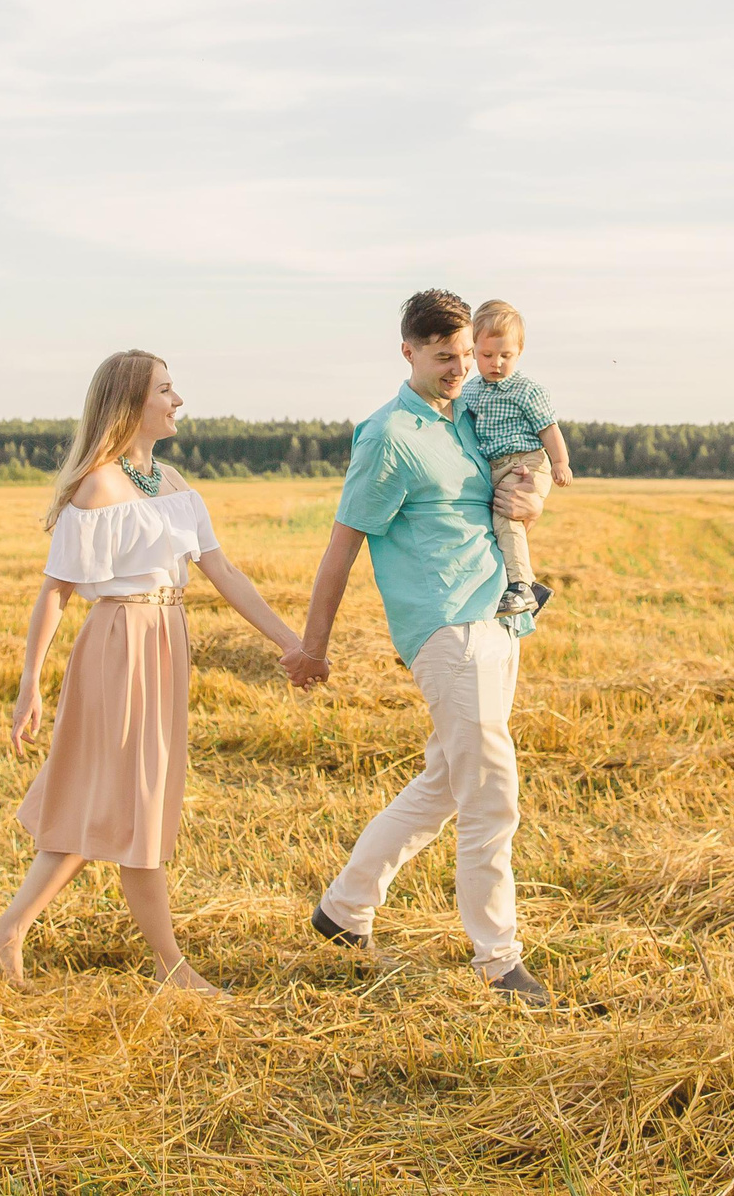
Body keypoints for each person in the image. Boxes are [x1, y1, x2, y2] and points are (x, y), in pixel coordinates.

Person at [0, 350, 311, 995]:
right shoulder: (98, 487)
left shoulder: (173, 483)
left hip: (167, 641)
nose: (177, 401)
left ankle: (4, 935)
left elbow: (225, 573)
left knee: (116, 801)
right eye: (165, 389)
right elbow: (55, 593)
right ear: (131, 403)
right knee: (137, 807)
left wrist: (292, 644)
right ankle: (171, 966)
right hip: (118, 643)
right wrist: (29, 687)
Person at [294, 289, 556, 1004]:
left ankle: (344, 908)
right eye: (444, 357)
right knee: (492, 792)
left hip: (499, 617)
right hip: (443, 627)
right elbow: (342, 544)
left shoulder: (471, 415)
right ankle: (498, 958)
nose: (459, 369)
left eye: (467, 355)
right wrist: (312, 647)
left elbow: (519, 481)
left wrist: (533, 498)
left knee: (446, 781)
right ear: (407, 350)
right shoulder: (387, 435)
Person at [462, 298, 576, 617]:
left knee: (506, 516)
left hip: (526, 463)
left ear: (519, 353)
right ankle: (514, 585)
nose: (496, 362)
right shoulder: (470, 392)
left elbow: (548, 429)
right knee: (492, 525)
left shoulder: (526, 390)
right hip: (494, 467)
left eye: (505, 355)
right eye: (487, 355)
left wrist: (560, 463)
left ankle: (521, 587)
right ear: (472, 350)